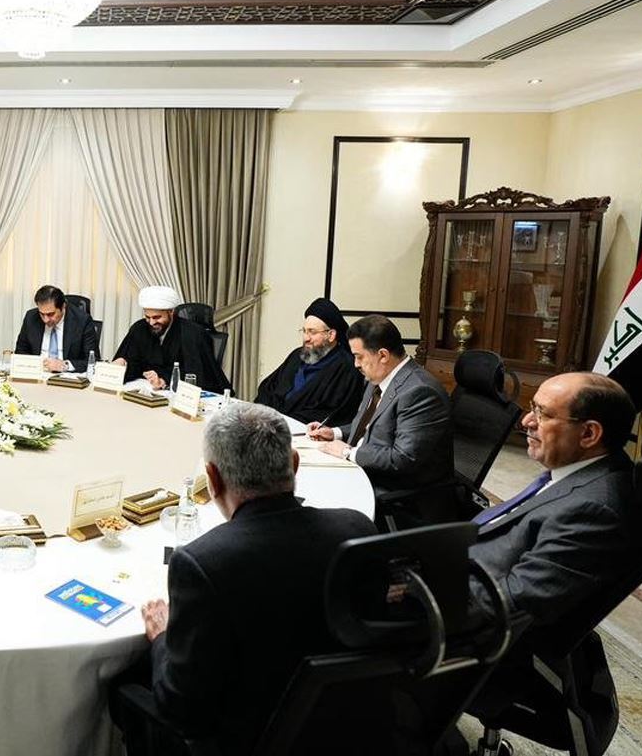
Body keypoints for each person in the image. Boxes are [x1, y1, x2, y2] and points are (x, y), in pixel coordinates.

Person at [135, 402, 377, 755]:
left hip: (245, 740)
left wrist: (161, 637)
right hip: (355, 729)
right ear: (294, 464)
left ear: (212, 479)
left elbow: (181, 710)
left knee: (125, 679)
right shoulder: (356, 527)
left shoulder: (203, 563)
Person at [464, 373, 642, 744]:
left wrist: (418, 588)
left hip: (471, 637)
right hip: (463, 568)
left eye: (543, 413)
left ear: (589, 434)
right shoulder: (575, 473)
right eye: (532, 408)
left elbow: (512, 602)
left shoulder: (596, 509)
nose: (526, 420)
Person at [307, 314, 453, 523]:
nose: (356, 364)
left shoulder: (420, 392)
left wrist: (348, 452)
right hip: (366, 474)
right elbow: (371, 427)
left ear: (383, 355)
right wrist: (335, 433)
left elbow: (402, 459)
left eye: (359, 357)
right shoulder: (379, 377)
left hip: (399, 499)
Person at [254, 297, 365, 427]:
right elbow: (268, 388)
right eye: (304, 331)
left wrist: (282, 422)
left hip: (303, 433)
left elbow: (332, 415)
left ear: (331, 335)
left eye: (312, 332)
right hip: (269, 424)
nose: (306, 338)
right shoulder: (297, 355)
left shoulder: (347, 368)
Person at [111, 286, 231, 393]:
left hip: (180, 397)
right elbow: (136, 364)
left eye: (157, 317)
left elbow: (196, 376)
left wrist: (164, 380)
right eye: (147, 317)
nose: (151, 322)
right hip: (147, 390)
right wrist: (124, 364)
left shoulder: (192, 334)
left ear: (171, 312)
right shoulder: (140, 328)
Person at [14, 285, 100, 373]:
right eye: (42, 314)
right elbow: (20, 352)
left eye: (50, 314)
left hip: (67, 377)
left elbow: (93, 361)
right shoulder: (31, 317)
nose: (45, 320)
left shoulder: (82, 321)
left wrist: (65, 365)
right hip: (38, 374)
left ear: (63, 307)